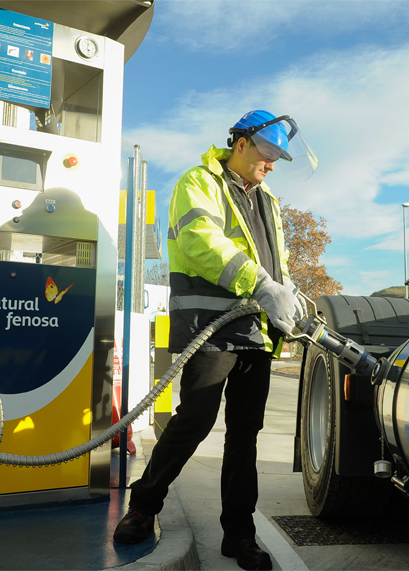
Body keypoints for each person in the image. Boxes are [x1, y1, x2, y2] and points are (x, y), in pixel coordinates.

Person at [113, 110, 318, 571]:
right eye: (267, 154)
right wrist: (261, 285)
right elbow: (202, 241)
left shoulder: (269, 202)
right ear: (241, 144)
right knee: (196, 418)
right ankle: (144, 505)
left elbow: (276, 262)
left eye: (279, 158)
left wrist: (285, 298)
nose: (272, 164)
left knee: (246, 435)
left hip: (258, 332)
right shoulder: (198, 182)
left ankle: (239, 534)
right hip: (213, 325)